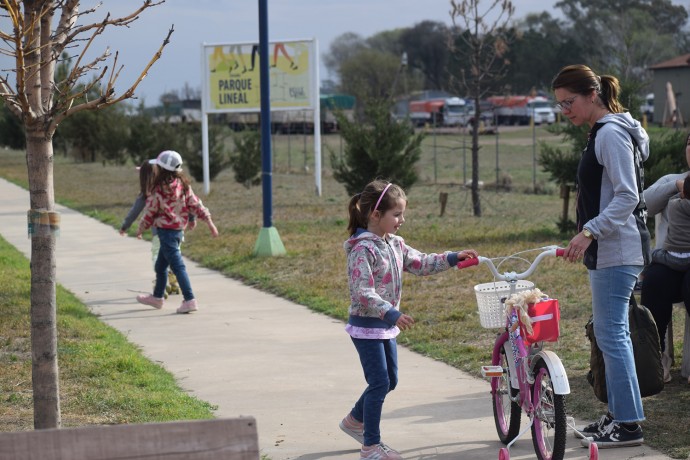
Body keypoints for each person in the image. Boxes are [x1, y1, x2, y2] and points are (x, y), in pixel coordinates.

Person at [339, 179, 477, 460]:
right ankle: (370, 446)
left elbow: (421, 263)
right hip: (367, 327)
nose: (402, 220)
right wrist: (391, 313)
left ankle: (355, 420)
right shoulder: (362, 249)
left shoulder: (395, 244)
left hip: (385, 326)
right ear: (376, 215)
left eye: (402, 214)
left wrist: (452, 257)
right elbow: (362, 291)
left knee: (390, 381)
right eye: (397, 214)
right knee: (379, 382)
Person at [553, 64, 650, 448]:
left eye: (570, 102)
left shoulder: (610, 133)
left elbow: (628, 195)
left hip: (617, 248)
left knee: (613, 335)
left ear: (592, 95)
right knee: (612, 335)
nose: (566, 111)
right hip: (613, 248)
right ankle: (618, 416)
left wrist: (590, 231)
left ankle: (627, 425)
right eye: (560, 105)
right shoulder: (606, 131)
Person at [135, 150, 219, 314]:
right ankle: (157, 298)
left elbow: (150, 211)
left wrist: (141, 227)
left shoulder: (157, 190)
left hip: (166, 233)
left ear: (161, 169)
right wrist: (209, 222)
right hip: (178, 232)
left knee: (178, 267)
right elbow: (196, 204)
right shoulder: (184, 186)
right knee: (160, 266)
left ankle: (189, 299)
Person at [641, 132, 690, 384]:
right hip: (669, 262)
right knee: (654, 281)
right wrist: (676, 187)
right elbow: (643, 205)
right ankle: (656, 359)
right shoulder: (673, 180)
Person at [119, 160, 195, 296]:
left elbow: (135, 211)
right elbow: (188, 202)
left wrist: (125, 226)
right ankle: (172, 280)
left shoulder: (150, 192)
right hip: (177, 230)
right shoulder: (174, 187)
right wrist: (191, 218)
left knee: (158, 256)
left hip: (160, 233)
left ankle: (163, 284)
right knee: (173, 255)